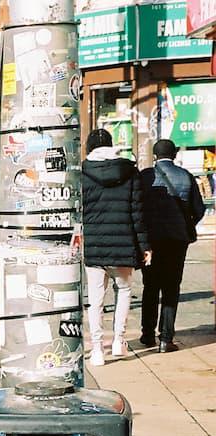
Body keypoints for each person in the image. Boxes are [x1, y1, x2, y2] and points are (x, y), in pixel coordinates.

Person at [80, 128, 150, 366]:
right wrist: (144, 245)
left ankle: (98, 350)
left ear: (90, 148)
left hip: (95, 245)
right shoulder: (130, 171)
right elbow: (137, 213)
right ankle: (119, 341)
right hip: (123, 243)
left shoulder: (83, 172)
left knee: (96, 300)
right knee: (124, 291)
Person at [138, 139, 205, 352]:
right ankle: (166, 338)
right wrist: (186, 224)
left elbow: (137, 207)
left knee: (150, 286)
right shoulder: (186, 176)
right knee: (171, 287)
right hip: (177, 240)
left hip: (151, 240)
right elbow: (199, 209)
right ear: (174, 154)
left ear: (154, 155)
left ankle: (147, 334)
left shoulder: (145, 176)